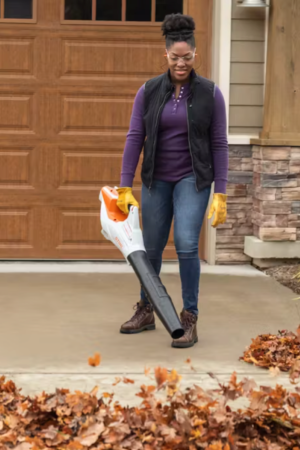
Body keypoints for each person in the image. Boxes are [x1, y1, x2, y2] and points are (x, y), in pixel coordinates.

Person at [116, 13, 229, 349]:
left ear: (196, 55)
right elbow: (135, 136)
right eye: (175, 57)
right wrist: (125, 184)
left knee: (186, 243)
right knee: (149, 248)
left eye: (188, 57)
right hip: (155, 179)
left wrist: (220, 192)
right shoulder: (149, 91)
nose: (181, 63)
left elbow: (219, 143)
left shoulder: (210, 93)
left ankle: (189, 315)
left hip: (192, 179)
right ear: (166, 55)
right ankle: (147, 309)